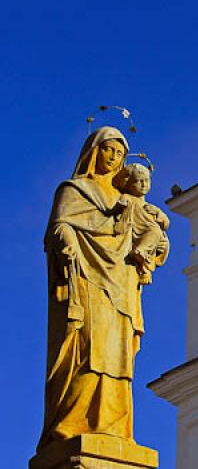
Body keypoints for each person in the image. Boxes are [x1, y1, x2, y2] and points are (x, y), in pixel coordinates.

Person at [38, 126, 167, 449]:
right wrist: (66, 241)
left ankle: (112, 427)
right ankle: (73, 423)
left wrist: (152, 243)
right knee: (86, 349)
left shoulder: (130, 199)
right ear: (94, 151)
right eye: (109, 149)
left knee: (116, 355)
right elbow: (59, 226)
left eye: (120, 153)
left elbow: (155, 239)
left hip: (121, 286)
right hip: (87, 279)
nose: (114, 157)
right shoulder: (75, 190)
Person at [115, 162, 170, 285]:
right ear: (128, 183)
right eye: (138, 181)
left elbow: (166, 223)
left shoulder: (150, 207)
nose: (143, 184)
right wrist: (121, 206)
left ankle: (143, 262)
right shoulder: (127, 197)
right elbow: (118, 207)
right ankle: (143, 262)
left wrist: (158, 214)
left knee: (157, 235)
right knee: (154, 232)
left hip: (150, 232)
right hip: (136, 230)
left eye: (146, 180)